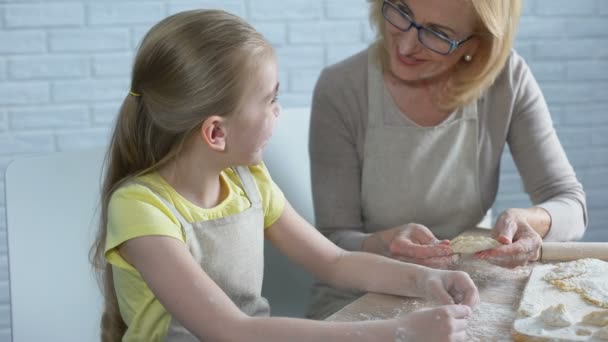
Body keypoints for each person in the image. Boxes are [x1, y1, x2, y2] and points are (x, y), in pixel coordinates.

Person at [89, 9, 480, 342]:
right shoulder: (139, 208)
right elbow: (231, 331)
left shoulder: (250, 181)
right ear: (216, 132)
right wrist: (396, 331)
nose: (279, 111)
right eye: (270, 99)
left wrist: (424, 280)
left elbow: (335, 261)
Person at [307, 0, 587, 319]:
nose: (407, 44)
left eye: (437, 33)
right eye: (402, 12)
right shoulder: (342, 87)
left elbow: (570, 204)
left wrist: (531, 222)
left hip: (466, 289)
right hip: (362, 293)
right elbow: (333, 240)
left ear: (477, 44)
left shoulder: (507, 79)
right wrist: (384, 244)